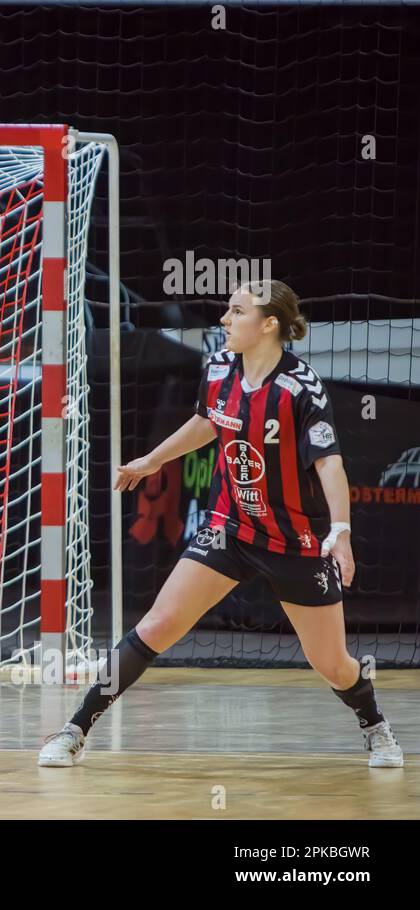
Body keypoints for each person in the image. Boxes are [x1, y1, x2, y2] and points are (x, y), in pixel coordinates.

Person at [38, 280, 404, 769]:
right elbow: (208, 422)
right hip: (228, 526)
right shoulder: (217, 369)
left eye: (236, 311)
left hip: (293, 541)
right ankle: (74, 729)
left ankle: (376, 727)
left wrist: (339, 530)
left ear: (268, 324)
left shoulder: (300, 387)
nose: (225, 320)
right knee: (157, 626)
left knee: (332, 664)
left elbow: (329, 463)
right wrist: (151, 460)